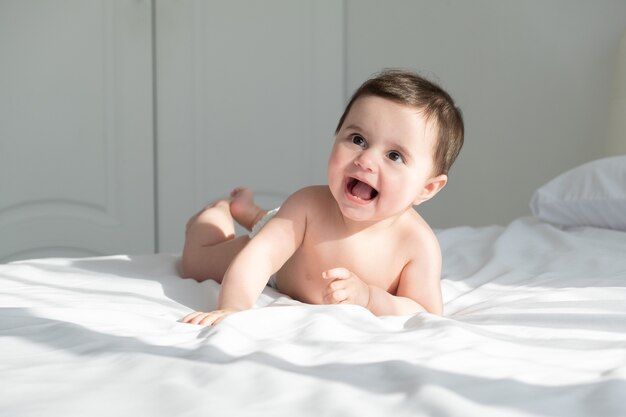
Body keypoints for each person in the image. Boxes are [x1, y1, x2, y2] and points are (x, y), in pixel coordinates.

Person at [181, 69, 464, 326]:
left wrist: (370, 298)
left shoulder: (417, 244)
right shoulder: (308, 205)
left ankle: (250, 211)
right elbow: (261, 257)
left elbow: (424, 311)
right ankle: (218, 214)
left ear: (426, 189)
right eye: (357, 139)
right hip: (280, 262)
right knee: (196, 263)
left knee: (282, 221)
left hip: (291, 228)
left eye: (394, 156)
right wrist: (233, 308)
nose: (366, 160)